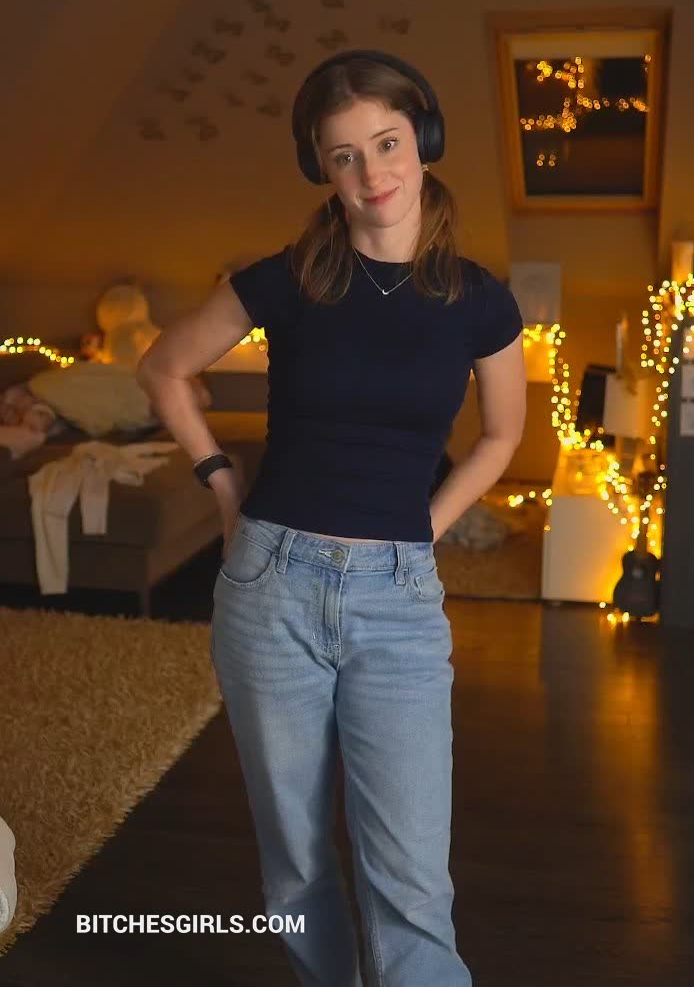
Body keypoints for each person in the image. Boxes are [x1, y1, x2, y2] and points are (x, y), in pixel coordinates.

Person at [137, 49, 526, 987]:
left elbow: (502, 436)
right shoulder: (286, 279)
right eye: (343, 154)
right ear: (319, 165)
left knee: (412, 883)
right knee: (298, 866)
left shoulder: (478, 299)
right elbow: (163, 369)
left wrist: (424, 530)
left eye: (386, 143)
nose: (370, 173)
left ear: (423, 140)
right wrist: (223, 487)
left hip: (398, 603)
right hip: (269, 588)